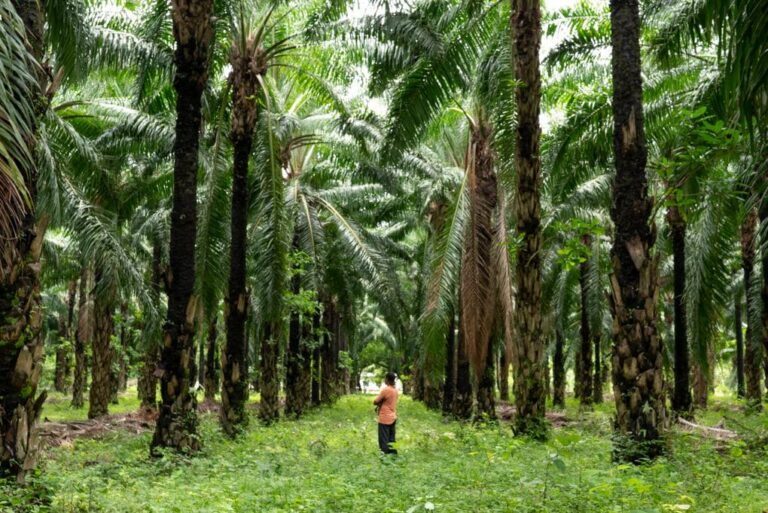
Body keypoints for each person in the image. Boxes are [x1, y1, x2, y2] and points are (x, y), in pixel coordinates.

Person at [373, 372, 399, 455]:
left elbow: (375, 401)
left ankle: (384, 457)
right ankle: (393, 456)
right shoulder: (395, 391)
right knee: (391, 439)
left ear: (387, 379)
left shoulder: (386, 390)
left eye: (385, 378)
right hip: (393, 417)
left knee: (383, 439)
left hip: (384, 418)